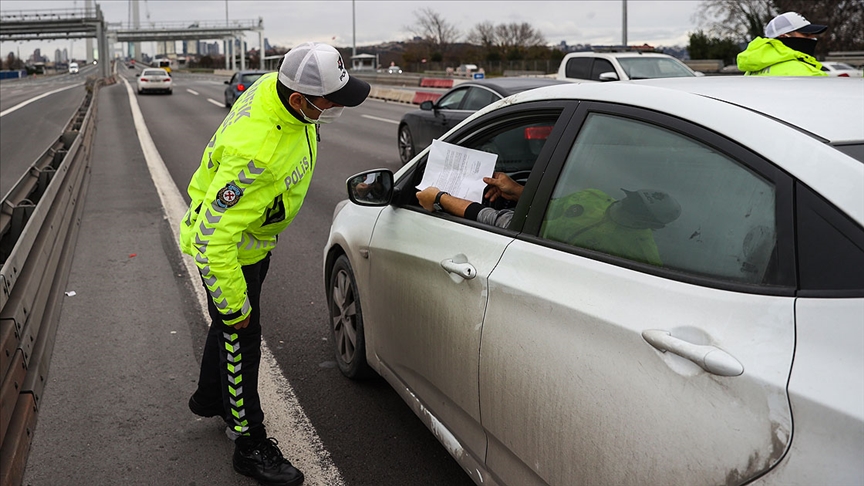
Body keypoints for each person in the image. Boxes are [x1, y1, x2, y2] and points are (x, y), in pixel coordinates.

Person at [179, 42, 370, 486]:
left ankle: (210, 397)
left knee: (226, 330)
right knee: (239, 337)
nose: (337, 107)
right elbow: (211, 239)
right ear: (300, 100)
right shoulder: (257, 155)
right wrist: (234, 305)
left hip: (255, 242)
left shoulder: (277, 89)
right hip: (232, 255)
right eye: (330, 101)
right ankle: (248, 443)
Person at [418, 173, 681, 266]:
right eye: (630, 198)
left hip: (531, 247)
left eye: (636, 209)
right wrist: (517, 190)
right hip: (527, 236)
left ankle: (439, 196)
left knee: (494, 219)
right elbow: (550, 207)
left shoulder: (643, 254)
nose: (624, 205)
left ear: (654, 226)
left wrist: (439, 197)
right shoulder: (595, 197)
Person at [737, 11, 828, 76]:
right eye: (806, 34)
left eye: (812, 34)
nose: (812, 38)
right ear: (783, 37)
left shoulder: (751, 71)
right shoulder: (810, 74)